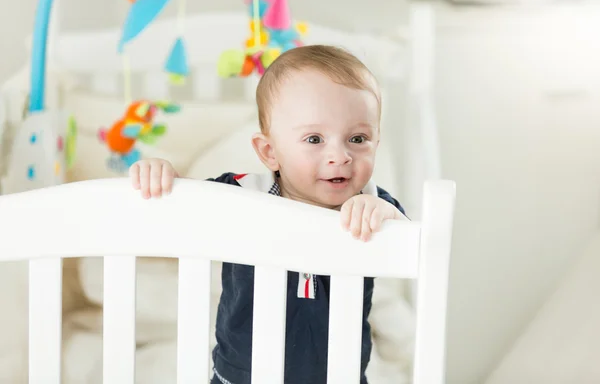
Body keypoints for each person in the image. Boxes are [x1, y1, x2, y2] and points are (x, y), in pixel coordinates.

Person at [129, 45, 407, 384]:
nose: (340, 155)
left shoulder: (369, 203)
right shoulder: (244, 196)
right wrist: (163, 177)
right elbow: (186, 209)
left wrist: (383, 213)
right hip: (241, 375)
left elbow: (407, 245)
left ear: (376, 143)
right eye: (315, 138)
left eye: (358, 138)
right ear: (270, 151)